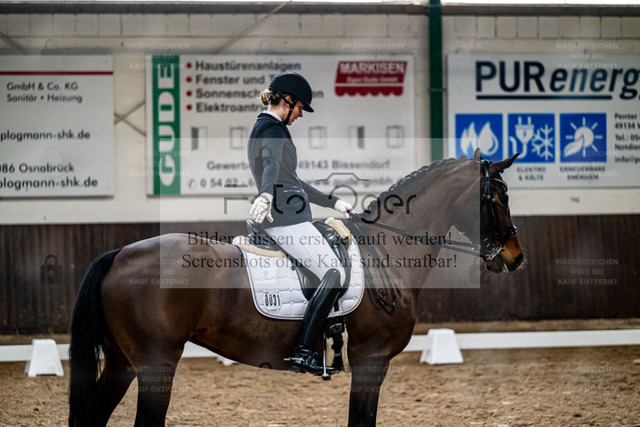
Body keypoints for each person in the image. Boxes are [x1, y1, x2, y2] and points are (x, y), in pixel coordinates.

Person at [247, 71, 352, 375]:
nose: (300, 115)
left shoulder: (269, 127)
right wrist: (265, 195)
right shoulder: (272, 130)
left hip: (288, 214)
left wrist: (333, 202)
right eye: (300, 108)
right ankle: (303, 352)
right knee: (334, 273)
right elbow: (270, 164)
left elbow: (293, 181)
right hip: (286, 219)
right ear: (288, 101)